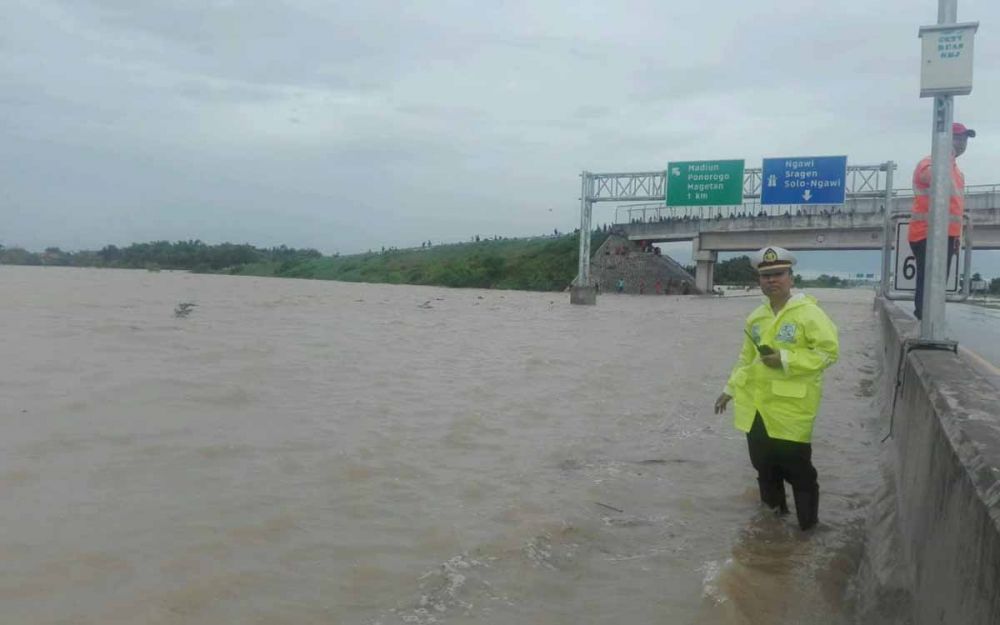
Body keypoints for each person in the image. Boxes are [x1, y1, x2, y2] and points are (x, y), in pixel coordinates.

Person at [713, 246, 839, 531]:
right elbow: (746, 359)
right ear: (759, 280)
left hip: (792, 411)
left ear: (791, 278)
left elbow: (828, 353)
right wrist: (729, 390)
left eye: (778, 274)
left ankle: (809, 531)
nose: (772, 280)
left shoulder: (809, 314)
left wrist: (784, 359)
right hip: (757, 409)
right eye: (766, 275)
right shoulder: (756, 318)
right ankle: (772, 532)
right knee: (765, 470)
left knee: (800, 473)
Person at [908, 122, 975, 319]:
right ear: (946, 140)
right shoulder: (930, 162)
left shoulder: (958, 172)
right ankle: (925, 323)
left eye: (965, 139)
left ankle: (930, 321)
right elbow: (932, 176)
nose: (963, 143)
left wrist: (957, 237)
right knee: (930, 281)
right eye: (958, 138)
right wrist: (944, 155)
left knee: (938, 282)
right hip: (928, 232)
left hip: (948, 235)